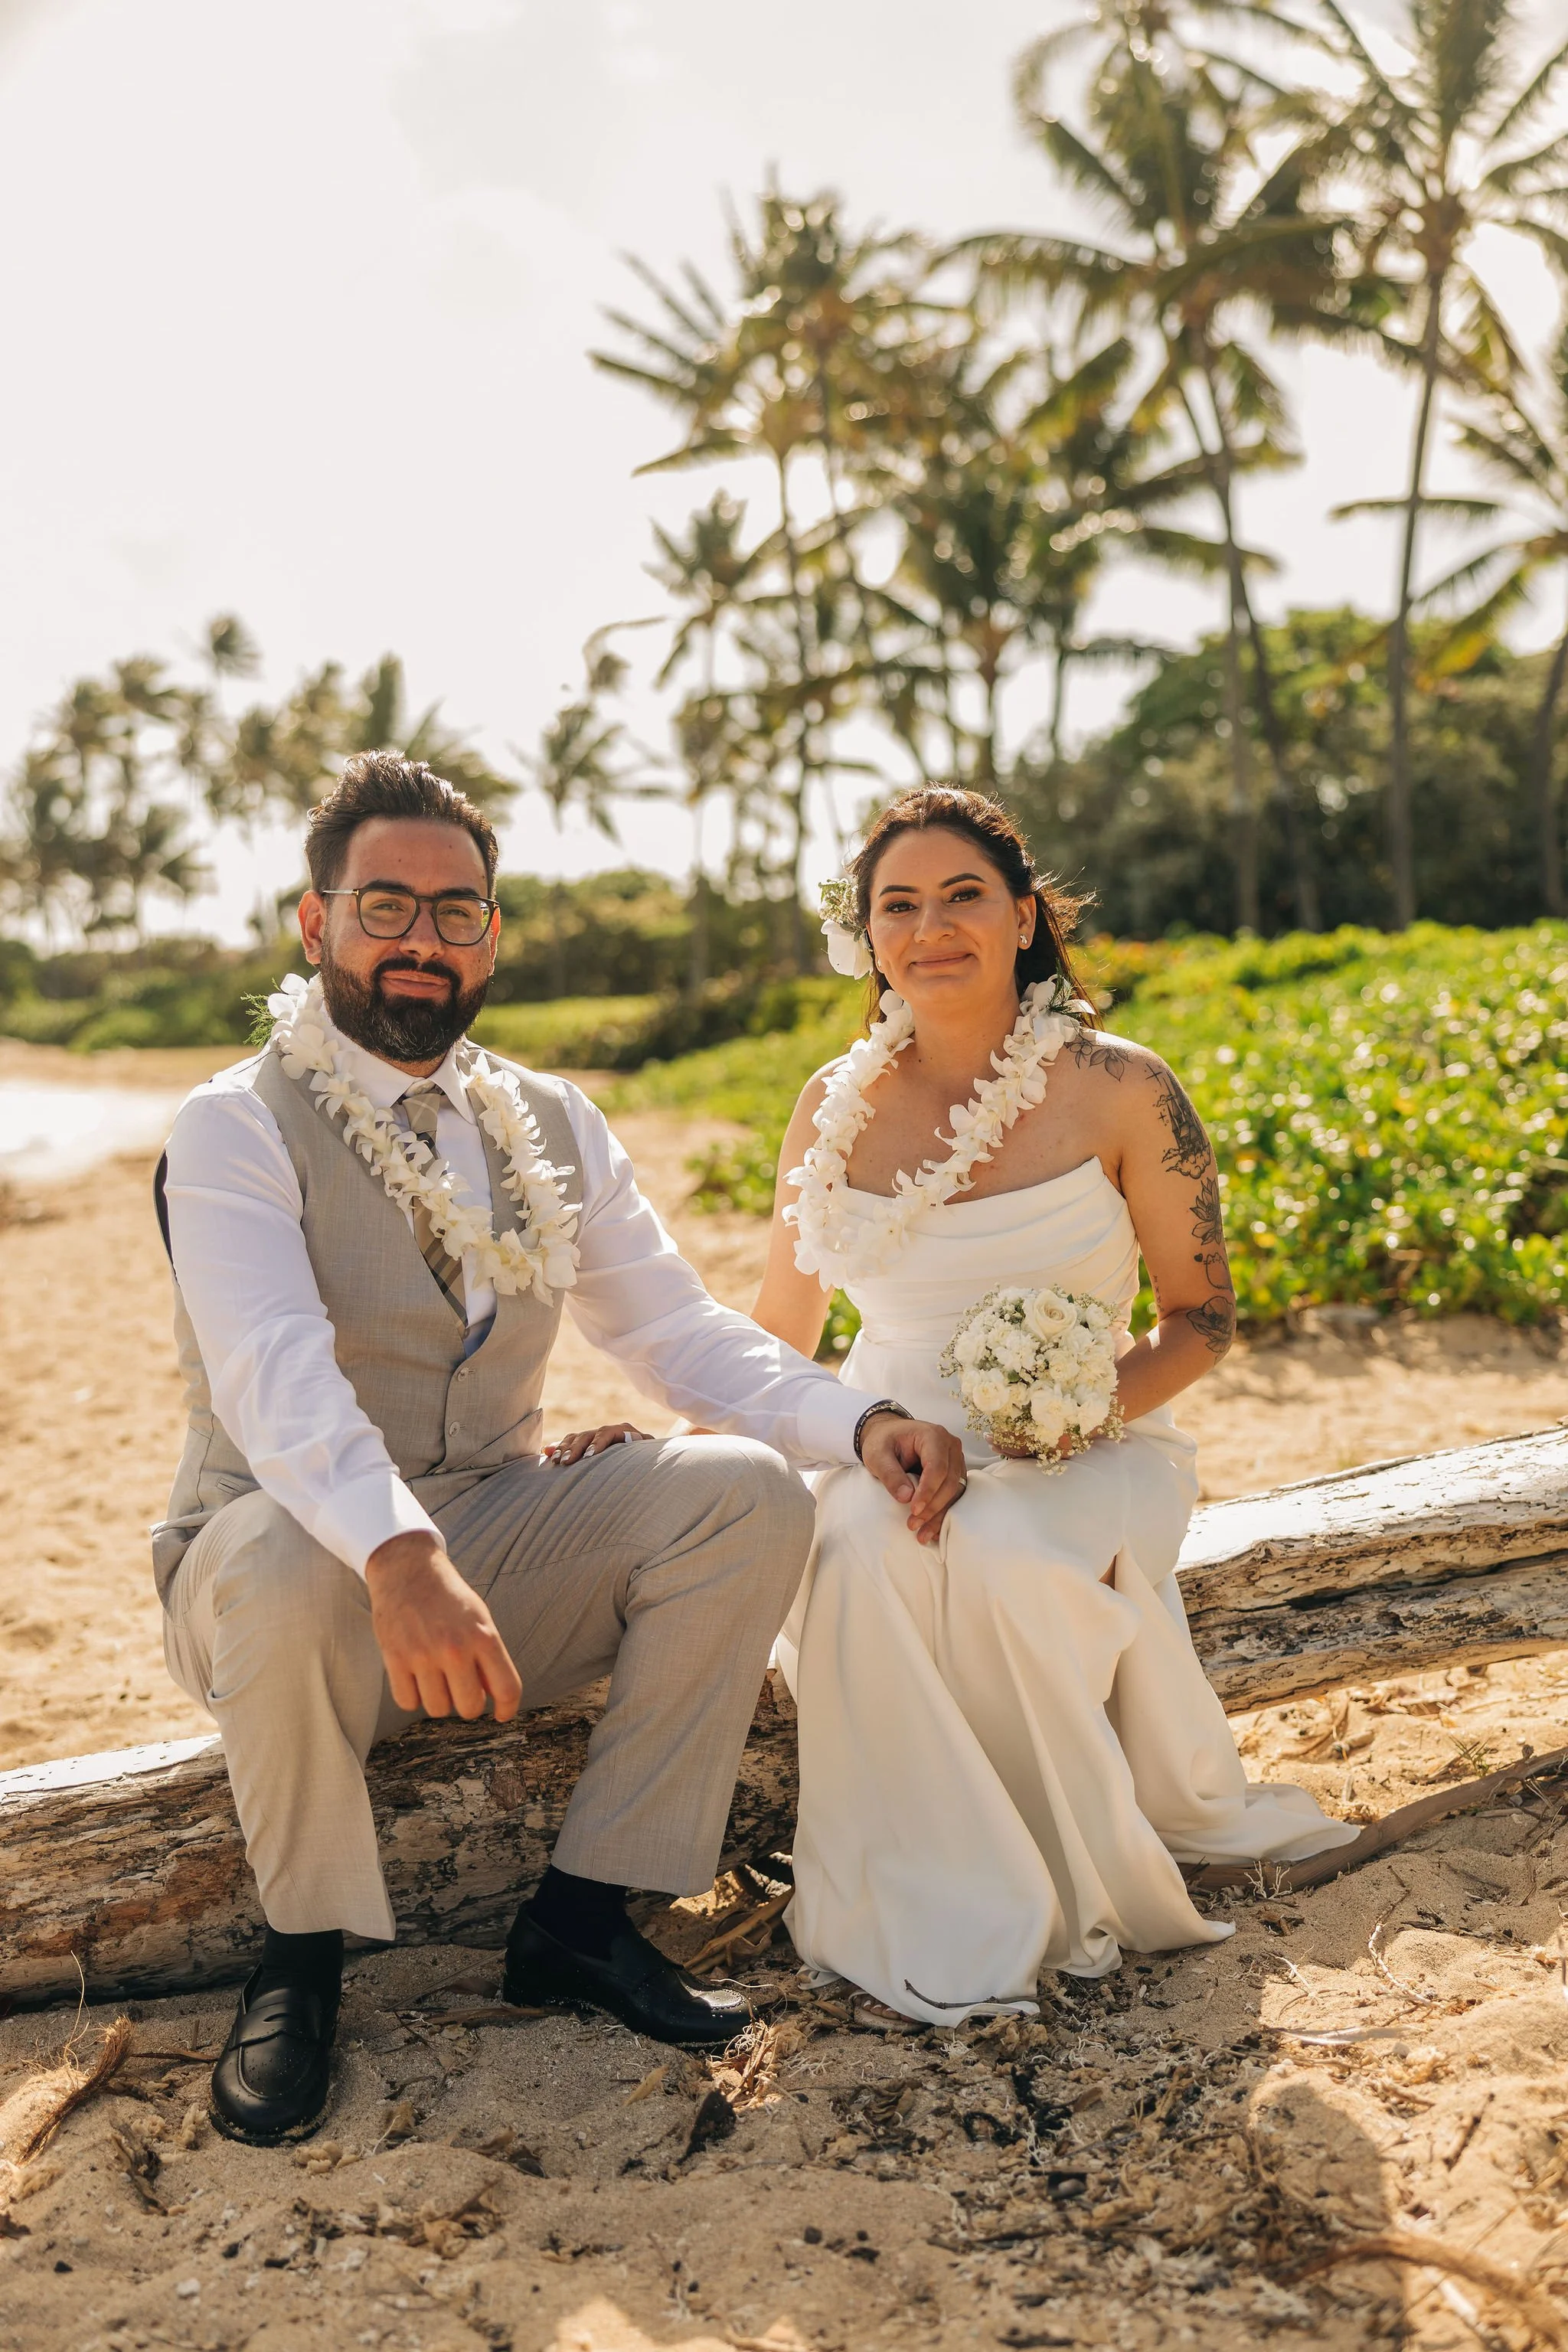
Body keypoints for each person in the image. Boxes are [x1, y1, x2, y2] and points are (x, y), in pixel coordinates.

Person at [152, 752, 966, 2144]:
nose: (422, 939)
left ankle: (585, 1917)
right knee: (290, 1558)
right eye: (385, 906)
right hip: (275, 1570)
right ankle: (301, 1960)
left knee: (746, 1496)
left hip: (494, 1532)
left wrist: (859, 1421)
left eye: (455, 912)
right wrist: (399, 1552)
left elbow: (677, 1336)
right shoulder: (234, 1124)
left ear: (493, 933)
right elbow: (271, 1369)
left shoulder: (555, 1122)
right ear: (315, 924)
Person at [750, 785, 1358, 2030]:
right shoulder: (832, 1104)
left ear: (1025, 916)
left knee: (1011, 1554)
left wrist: (1069, 1416)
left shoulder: (1122, 1085)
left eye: (964, 895)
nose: (932, 928)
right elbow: (781, 1339)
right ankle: (932, 1894)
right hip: (882, 1440)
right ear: (866, 939)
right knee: (858, 1551)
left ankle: (1073, 1877)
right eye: (898, 906)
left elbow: (1204, 1316)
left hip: (1086, 1440)